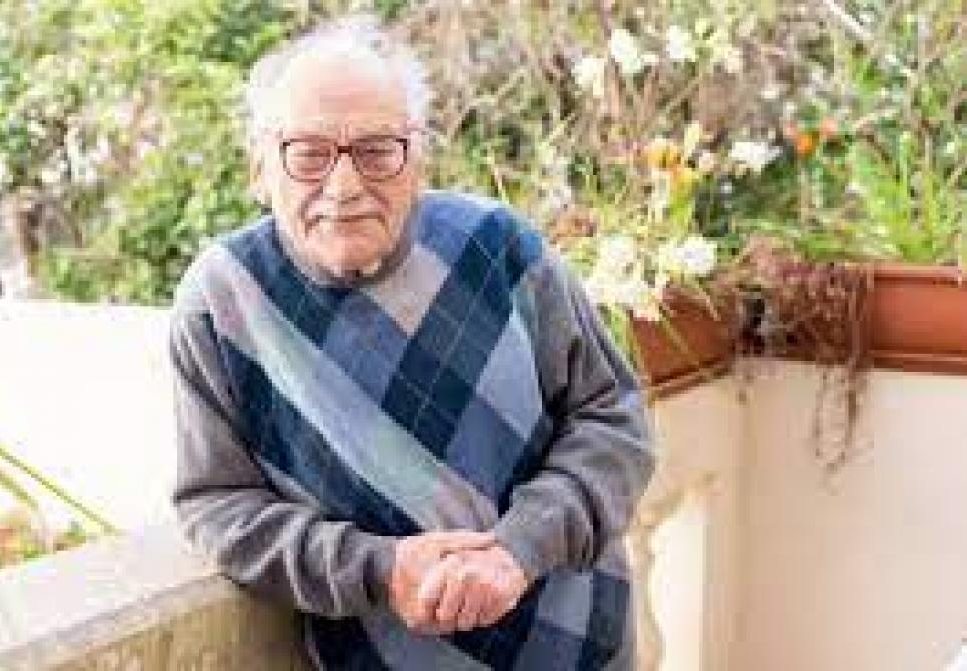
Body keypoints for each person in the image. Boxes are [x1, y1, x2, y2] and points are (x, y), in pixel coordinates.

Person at [169, 14, 655, 670]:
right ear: (261, 167)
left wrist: (520, 547)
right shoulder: (221, 302)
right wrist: (380, 567)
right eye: (308, 153)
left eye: (377, 150)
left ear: (417, 158)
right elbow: (216, 505)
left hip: (580, 650)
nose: (343, 187)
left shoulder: (500, 248)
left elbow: (614, 419)